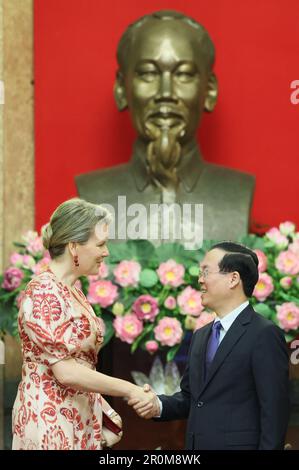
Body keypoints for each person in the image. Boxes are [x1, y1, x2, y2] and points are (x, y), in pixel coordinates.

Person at [76, 10, 255, 245]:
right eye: (149, 73)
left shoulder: (237, 191)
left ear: (209, 90)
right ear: (121, 88)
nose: (166, 93)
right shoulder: (92, 193)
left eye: (184, 74)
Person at [12, 198, 154, 450]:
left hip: (74, 415)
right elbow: (67, 372)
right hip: (50, 420)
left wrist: (102, 410)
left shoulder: (70, 290)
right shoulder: (45, 291)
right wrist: (130, 390)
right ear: (74, 246)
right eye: (100, 244)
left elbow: (79, 366)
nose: (106, 252)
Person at [130, 242, 290, 450]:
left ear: (233, 278)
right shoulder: (201, 336)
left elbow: (274, 410)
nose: (200, 279)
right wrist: (157, 405)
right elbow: (191, 398)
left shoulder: (263, 334)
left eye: (206, 271)